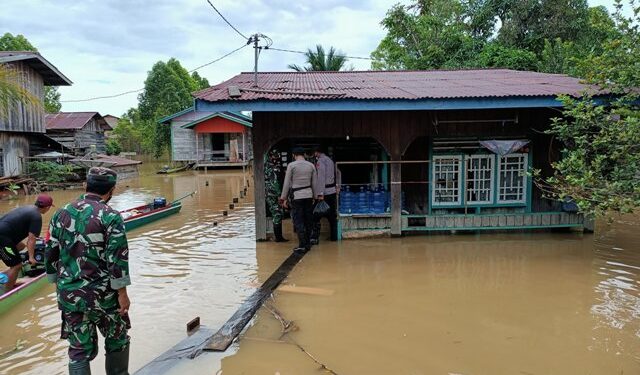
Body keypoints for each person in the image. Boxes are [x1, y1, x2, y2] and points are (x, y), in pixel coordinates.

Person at [45, 167, 131, 375]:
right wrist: (122, 294)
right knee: (117, 340)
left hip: (70, 295)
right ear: (112, 190)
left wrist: (59, 285)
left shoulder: (61, 213)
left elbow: (50, 252)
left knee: (78, 349)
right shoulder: (111, 216)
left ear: (86, 185)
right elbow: (117, 259)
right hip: (105, 296)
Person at [0, 194, 54, 290]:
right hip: (3, 238)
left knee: (21, 246)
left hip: (5, 235)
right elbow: (31, 239)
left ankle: (8, 263)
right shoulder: (36, 216)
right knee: (17, 265)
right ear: (47, 207)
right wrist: (31, 257)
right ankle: (7, 291)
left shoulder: (29, 208)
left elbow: (30, 236)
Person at [279, 147, 317, 253]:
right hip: (309, 196)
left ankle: (302, 245)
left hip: (297, 197)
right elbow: (314, 183)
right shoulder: (311, 166)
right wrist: (315, 196)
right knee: (308, 219)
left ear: (294, 155)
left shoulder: (291, 166)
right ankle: (308, 243)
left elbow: (286, 184)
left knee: (298, 220)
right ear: (304, 155)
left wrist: (283, 198)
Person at [311, 146, 339, 243]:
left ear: (316, 152)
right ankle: (334, 237)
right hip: (332, 191)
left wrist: (320, 193)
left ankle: (314, 238)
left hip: (325, 192)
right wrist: (338, 186)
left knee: (315, 215)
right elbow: (338, 173)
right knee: (332, 216)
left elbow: (321, 178)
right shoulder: (330, 160)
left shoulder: (320, 161)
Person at [264, 149, 288, 242]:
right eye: (275, 157)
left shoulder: (267, 165)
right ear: (271, 156)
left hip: (269, 193)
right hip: (272, 194)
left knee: (276, 213)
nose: (277, 159)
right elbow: (274, 182)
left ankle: (278, 236)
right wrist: (279, 195)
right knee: (277, 214)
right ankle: (278, 238)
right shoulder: (272, 167)